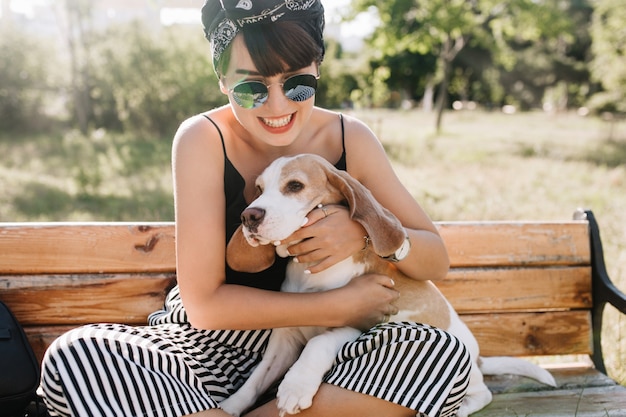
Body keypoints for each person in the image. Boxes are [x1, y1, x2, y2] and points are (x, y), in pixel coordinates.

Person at [38, 1, 471, 416]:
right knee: (76, 359)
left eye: (297, 83)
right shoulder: (201, 139)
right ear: (223, 80)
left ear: (318, 67)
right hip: (216, 347)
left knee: (441, 356)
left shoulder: (349, 138)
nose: (278, 106)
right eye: (250, 87)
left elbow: (435, 258)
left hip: (339, 354)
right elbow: (205, 308)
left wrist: (361, 232)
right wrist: (338, 306)